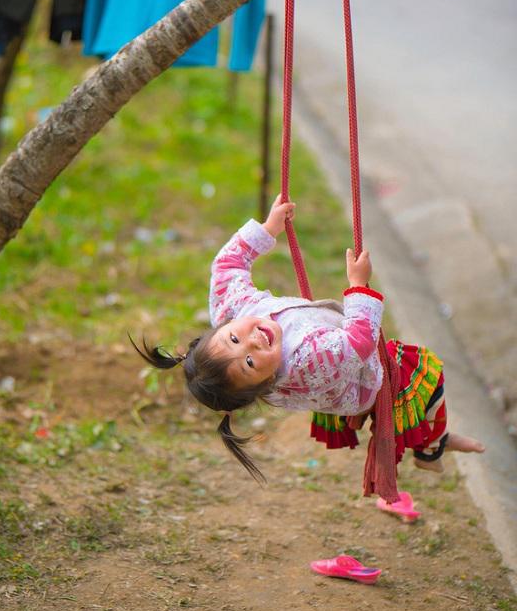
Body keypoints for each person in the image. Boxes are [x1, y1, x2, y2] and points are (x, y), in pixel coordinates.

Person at [132, 195, 484, 481]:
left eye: (234, 340)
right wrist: (359, 286)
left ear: (220, 327)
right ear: (267, 381)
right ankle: (435, 448)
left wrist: (267, 230)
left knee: (415, 410)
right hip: (364, 378)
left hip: (336, 373)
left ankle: (434, 444)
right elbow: (357, 345)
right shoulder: (306, 359)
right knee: (425, 383)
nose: (251, 342)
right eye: (251, 363)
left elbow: (227, 266)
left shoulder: (233, 312)